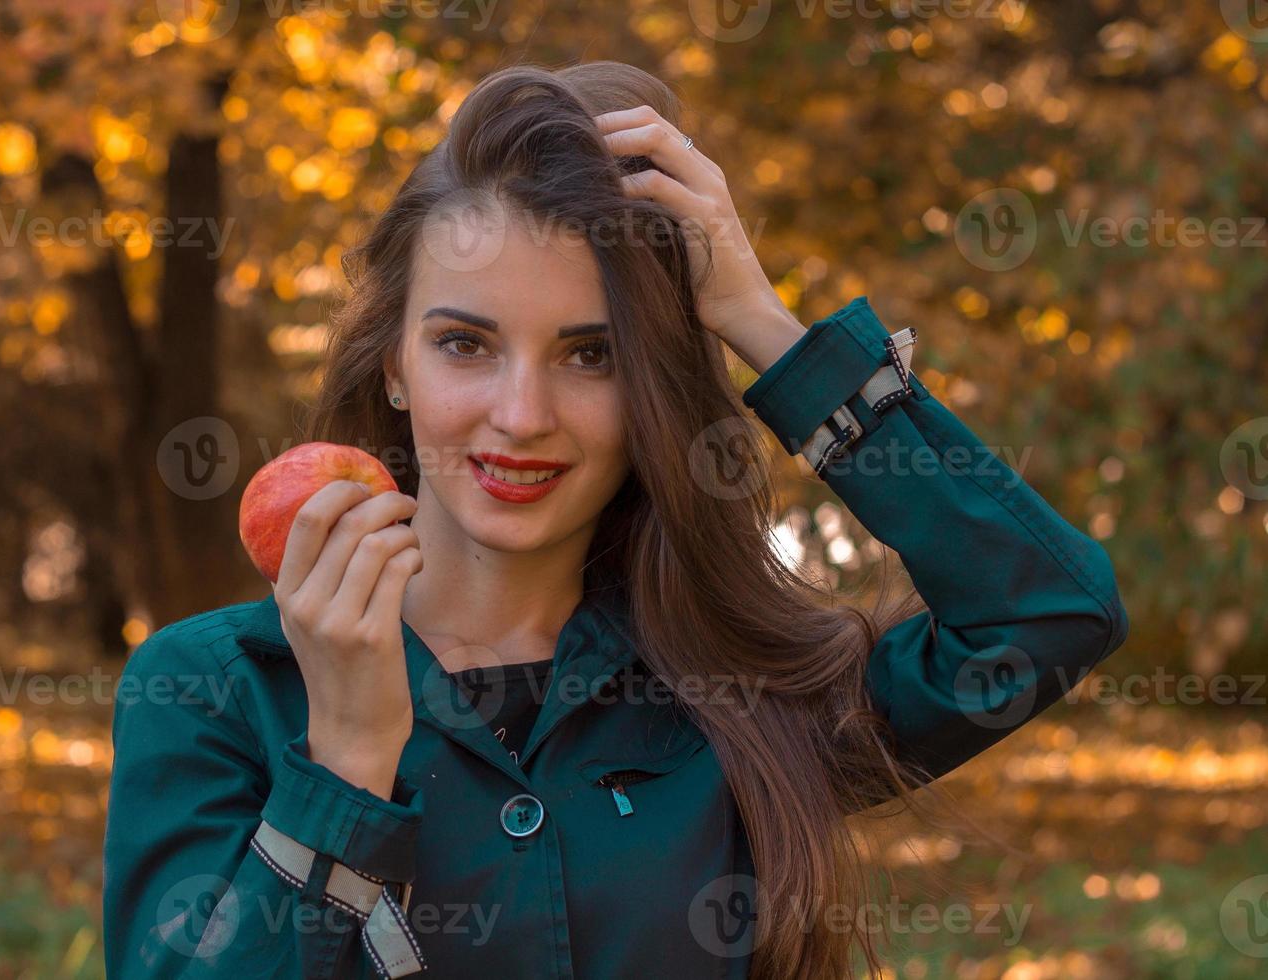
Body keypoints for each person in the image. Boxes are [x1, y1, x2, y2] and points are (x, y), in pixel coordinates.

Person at [103, 61, 1128, 980]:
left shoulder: (736, 686)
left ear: (651, 391)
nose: (522, 414)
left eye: (592, 354)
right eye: (466, 343)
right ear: (394, 365)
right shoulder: (219, 690)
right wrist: (345, 763)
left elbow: (1043, 613)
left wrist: (765, 327)